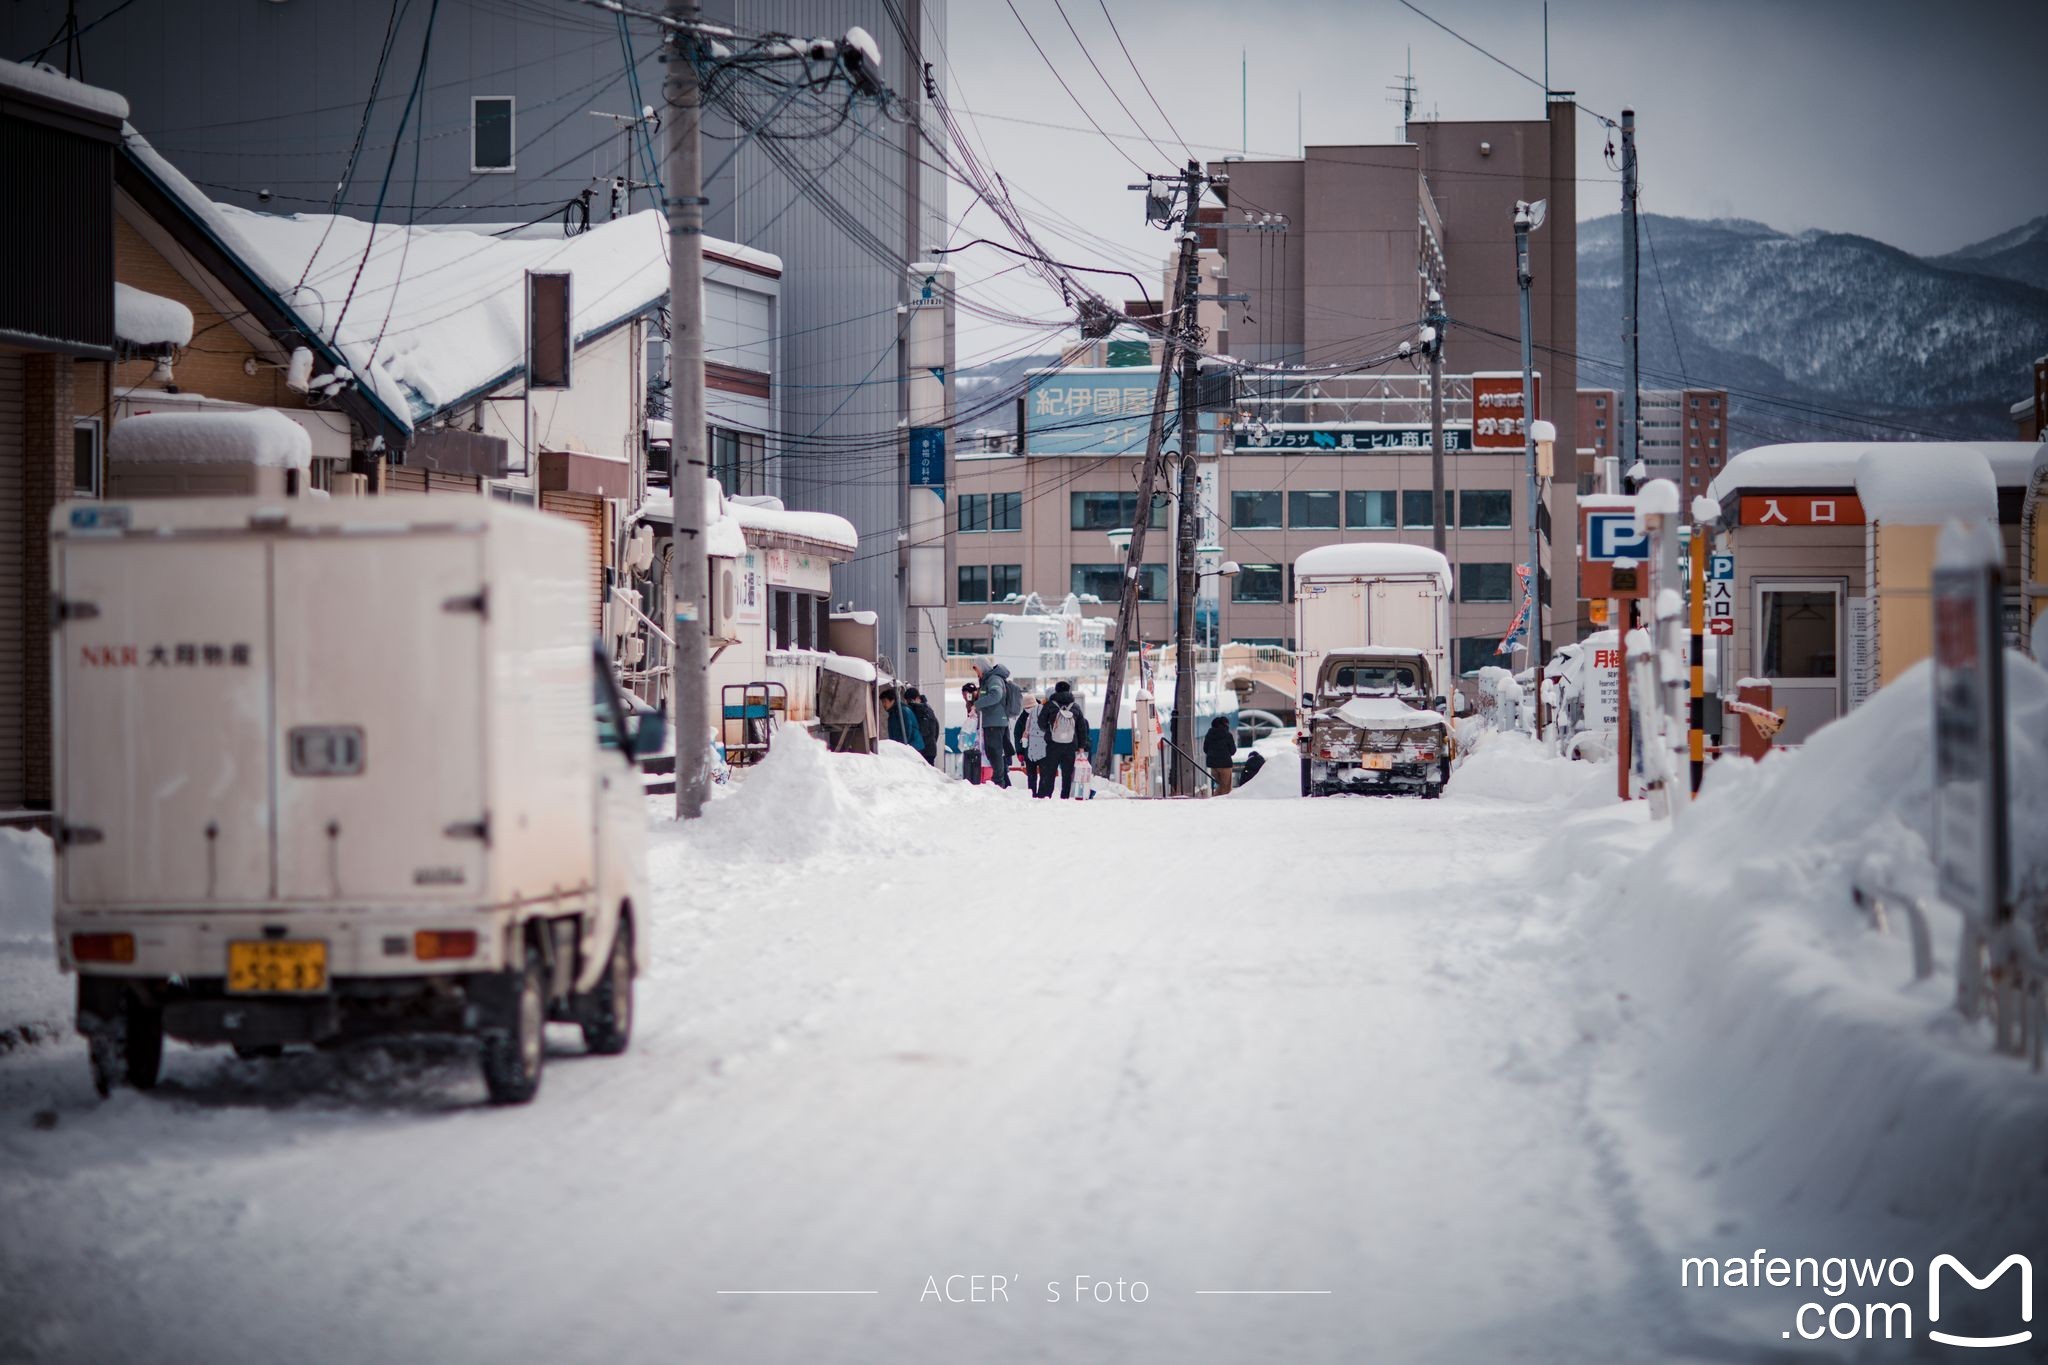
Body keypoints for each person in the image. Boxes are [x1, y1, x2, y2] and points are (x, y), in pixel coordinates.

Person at [1034, 680, 1091, 799]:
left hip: (1053, 744)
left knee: (1050, 772)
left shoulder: (1049, 705)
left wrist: (1050, 731)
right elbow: (1082, 728)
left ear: (1056, 690)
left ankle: (1047, 796)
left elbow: (1041, 723)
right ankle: (1065, 796)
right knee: (1067, 773)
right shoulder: (1075, 707)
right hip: (1070, 744)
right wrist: (1081, 745)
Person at [973, 660, 1015, 787]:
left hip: (994, 722)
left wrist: (977, 704)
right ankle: (1002, 782)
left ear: (982, 667)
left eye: (977, 669)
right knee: (995, 752)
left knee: (994, 752)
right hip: (994, 721)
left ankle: (999, 783)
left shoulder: (994, 679)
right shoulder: (989, 679)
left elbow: (996, 694)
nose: (976, 673)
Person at [1015, 692, 1044, 794]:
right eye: (1027, 708)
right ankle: (1032, 794)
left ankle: (1041, 794)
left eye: (1031, 707)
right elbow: (1017, 735)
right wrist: (1019, 752)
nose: (1029, 710)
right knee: (1031, 776)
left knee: (1043, 775)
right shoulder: (1022, 719)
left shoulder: (1044, 713)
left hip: (1042, 750)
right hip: (1028, 751)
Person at [904, 687, 941, 766]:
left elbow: (924, 731)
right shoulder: (927, 708)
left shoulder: (920, 710)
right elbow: (936, 728)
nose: (909, 703)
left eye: (910, 701)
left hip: (925, 750)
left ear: (917, 698)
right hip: (930, 749)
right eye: (907, 701)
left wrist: (920, 746)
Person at [1203, 715, 1238, 795]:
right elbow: (1233, 751)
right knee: (1226, 789)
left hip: (1213, 765)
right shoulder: (1228, 735)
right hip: (1225, 765)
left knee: (1219, 786)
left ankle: (1216, 801)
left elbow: (1205, 749)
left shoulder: (1209, 735)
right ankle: (1220, 804)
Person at [881, 686, 922, 752]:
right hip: (906, 747)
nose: (883, 704)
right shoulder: (893, 713)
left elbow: (907, 729)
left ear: (892, 700)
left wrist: (902, 747)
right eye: (882, 702)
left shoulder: (902, 711)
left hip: (913, 747)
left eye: (885, 701)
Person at [959, 682, 984, 784]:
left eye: (966, 694)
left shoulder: (979, 699)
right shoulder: (969, 702)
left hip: (981, 730)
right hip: (974, 731)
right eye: (963, 695)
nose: (965, 697)